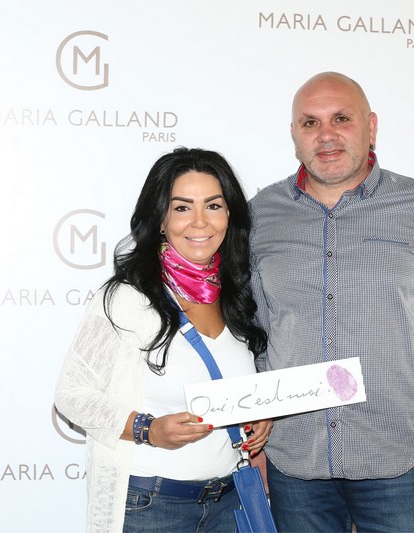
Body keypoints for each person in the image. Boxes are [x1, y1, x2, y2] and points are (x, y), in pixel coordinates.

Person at [248, 72, 414, 532]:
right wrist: (255, 442)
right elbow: (256, 339)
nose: (326, 135)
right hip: (294, 462)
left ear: (371, 127)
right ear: (294, 134)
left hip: (398, 460)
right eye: (310, 123)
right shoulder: (260, 215)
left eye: (341, 119)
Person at [55, 147, 272, 533]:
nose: (200, 222)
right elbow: (71, 396)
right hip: (152, 507)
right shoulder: (126, 298)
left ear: (230, 215)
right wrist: (148, 429)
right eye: (182, 208)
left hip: (229, 503)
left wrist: (258, 413)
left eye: (214, 206)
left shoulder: (239, 295)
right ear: (159, 219)